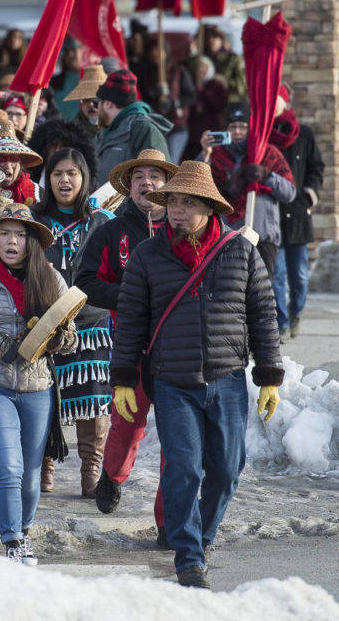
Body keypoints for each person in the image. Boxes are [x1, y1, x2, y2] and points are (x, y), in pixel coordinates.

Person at [109, 159, 283, 589]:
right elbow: (131, 320)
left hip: (226, 379)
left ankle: (199, 540)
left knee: (226, 470)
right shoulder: (148, 256)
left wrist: (270, 375)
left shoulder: (240, 251)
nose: (176, 210)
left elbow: (264, 314)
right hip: (172, 381)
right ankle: (188, 559)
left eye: (187, 203)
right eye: (171, 202)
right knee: (182, 469)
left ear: (210, 207)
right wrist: (123, 376)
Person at [0, 204, 76, 564]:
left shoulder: (52, 278)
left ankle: (24, 531)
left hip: (38, 387)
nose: (12, 241)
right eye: (5, 233)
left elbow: (72, 334)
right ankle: (12, 541)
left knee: (30, 475)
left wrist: (57, 338)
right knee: (8, 467)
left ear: (33, 242)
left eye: (20, 235)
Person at [76, 149, 176, 536]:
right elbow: (84, 281)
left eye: (155, 176)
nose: (147, 183)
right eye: (139, 177)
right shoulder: (110, 231)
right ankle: (113, 476)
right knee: (127, 425)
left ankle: (170, 523)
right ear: (128, 186)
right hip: (129, 347)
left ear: (167, 184)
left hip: (177, 350)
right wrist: (130, 296)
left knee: (176, 439)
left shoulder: (183, 228)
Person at [33, 148, 115, 496]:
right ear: (47, 180)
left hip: (92, 323)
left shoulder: (102, 221)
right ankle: (43, 467)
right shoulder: (33, 222)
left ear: (84, 179)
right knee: (45, 398)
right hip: (46, 323)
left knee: (93, 400)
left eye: (72, 173)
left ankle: (91, 473)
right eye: (57, 174)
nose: (64, 180)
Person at [203, 104, 297, 278]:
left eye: (243, 127)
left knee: (261, 293)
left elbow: (289, 193)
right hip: (228, 236)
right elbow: (199, 186)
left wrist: (266, 175)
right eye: (232, 127)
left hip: (263, 237)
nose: (237, 132)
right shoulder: (217, 155)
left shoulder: (268, 153)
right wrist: (205, 153)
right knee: (232, 291)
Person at [270, 85, 324, 343]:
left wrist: (310, 193)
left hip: (299, 213)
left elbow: (316, 167)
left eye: (276, 99)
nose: (272, 104)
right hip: (272, 214)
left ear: (285, 102)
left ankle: (296, 313)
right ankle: (280, 323)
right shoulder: (262, 136)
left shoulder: (304, 134)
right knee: (277, 275)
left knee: (299, 274)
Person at [93, 70, 172, 185]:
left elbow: (158, 183)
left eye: (97, 103)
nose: (96, 109)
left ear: (108, 104)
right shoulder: (105, 132)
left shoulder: (145, 130)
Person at [137, 36, 197, 164]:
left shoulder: (178, 71)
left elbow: (191, 95)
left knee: (170, 162)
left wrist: (175, 102)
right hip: (155, 126)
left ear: (166, 52)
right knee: (156, 162)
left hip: (177, 126)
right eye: (152, 51)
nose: (155, 54)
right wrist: (154, 94)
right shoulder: (145, 73)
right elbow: (141, 99)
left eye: (159, 51)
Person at [182, 56, 230, 161]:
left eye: (204, 67)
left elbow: (221, 105)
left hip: (212, 129)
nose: (201, 70)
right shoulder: (191, 84)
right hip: (194, 133)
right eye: (198, 67)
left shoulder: (216, 84)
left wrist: (205, 93)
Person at [0, 127, 42, 206]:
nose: (8, 166)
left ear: (20, 163)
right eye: (1, 158)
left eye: (13, 158)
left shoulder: (38, 193)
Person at [198, 24, 246, 104]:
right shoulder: (200, 59)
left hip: (228, 104)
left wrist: (224, 82)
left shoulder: (232, 59)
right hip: (205, 105)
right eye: (208, 38)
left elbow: (241, 87)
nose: (211, 40)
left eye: (215, 37)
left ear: (221, 40)